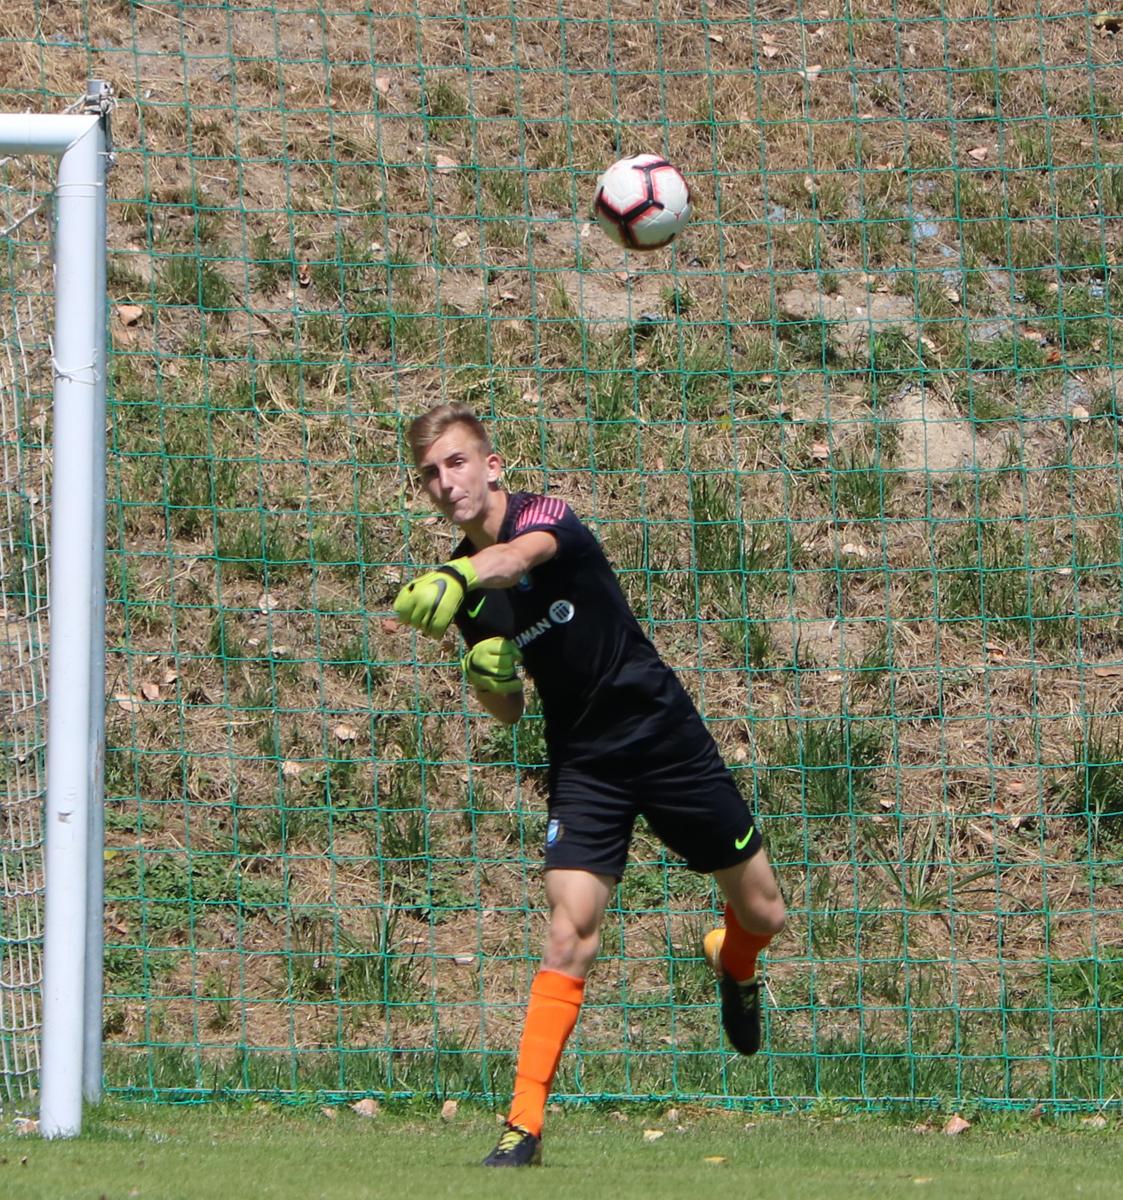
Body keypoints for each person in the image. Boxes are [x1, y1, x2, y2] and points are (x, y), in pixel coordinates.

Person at [393, 403, 786, 1167]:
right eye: (430, 474)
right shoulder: (466, 592)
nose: (445, 483)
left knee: (764, 912)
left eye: (456, 463)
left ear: (492, 466)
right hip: (584, 764)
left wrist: (456, 573)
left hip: (664, 737)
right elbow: (509, 712)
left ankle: (733, 960)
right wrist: (486, 679)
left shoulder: (545, 519)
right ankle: (522, 1127)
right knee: (568, 929)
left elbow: (519, 557)